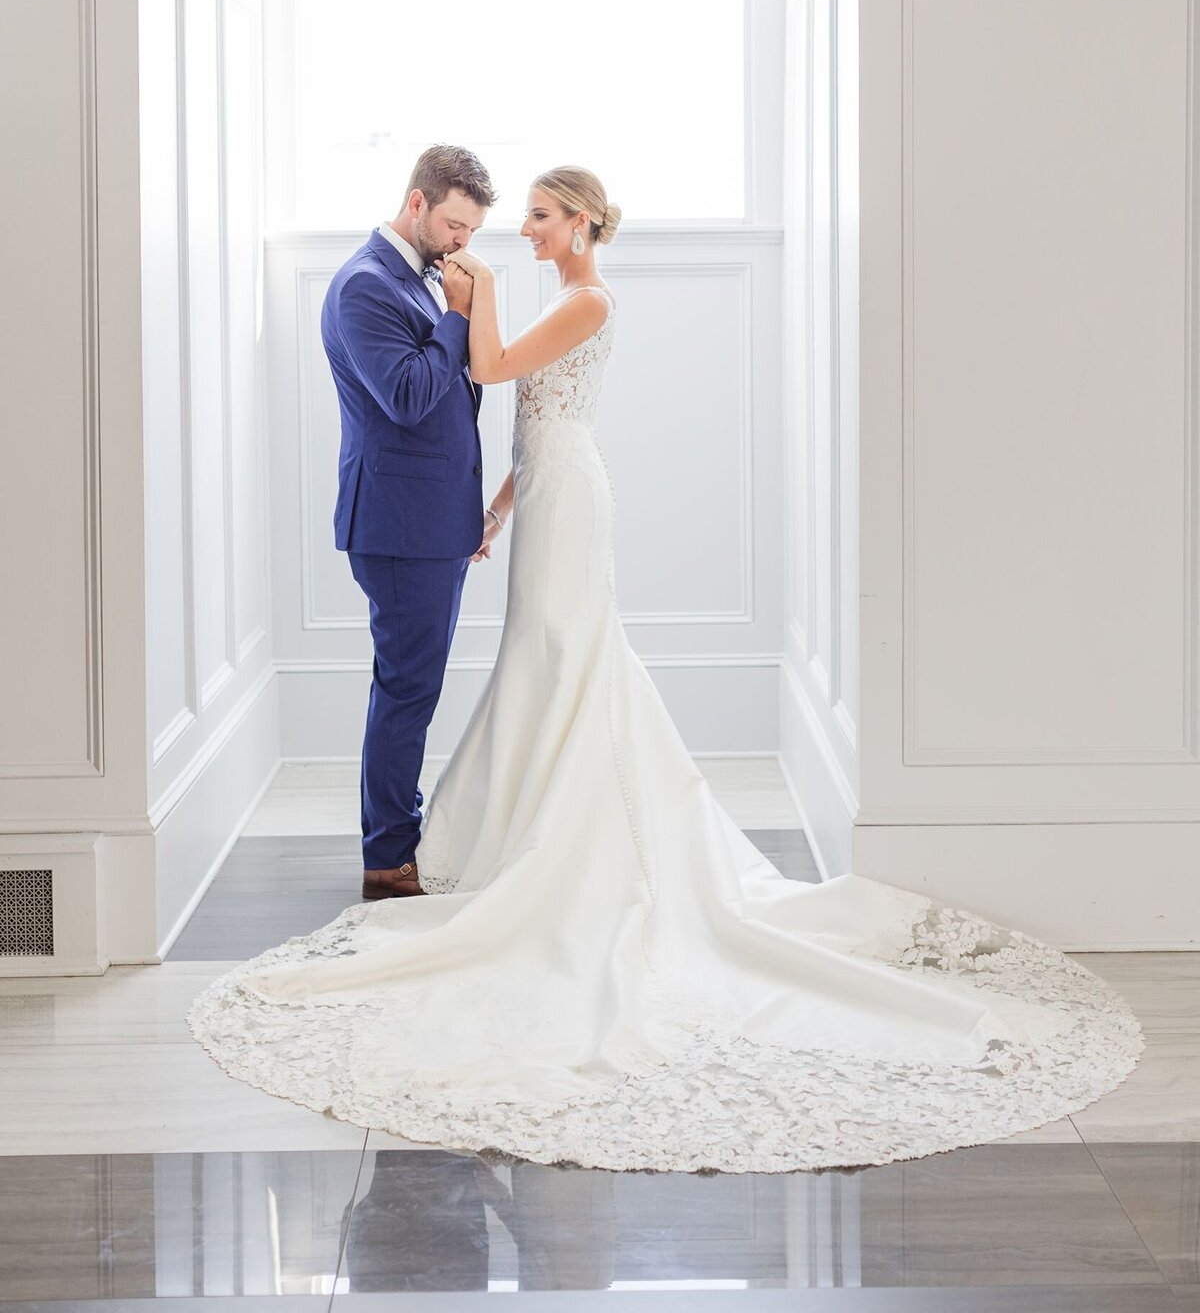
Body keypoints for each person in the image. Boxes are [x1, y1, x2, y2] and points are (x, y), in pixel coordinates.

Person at [190, 166, 1143, 1173]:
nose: (519, 232)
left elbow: (504, 373)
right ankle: (489, 833)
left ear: (587, 224)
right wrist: (507, 500)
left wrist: (485, 302)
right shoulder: (466, 290)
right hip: (538, 495)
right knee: (542, 660)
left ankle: (558, 838)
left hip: (570, 501)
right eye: (503, 222)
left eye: (540, 218)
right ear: (425, 207)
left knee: (567, 655)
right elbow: (531, 416)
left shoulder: (585, 297)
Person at [317, 143, 497, 901]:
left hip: (430, 521)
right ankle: (389, 861)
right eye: (455, 224)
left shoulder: (416, 277)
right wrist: (457, 314)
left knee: (410, 687)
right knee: (406, 691)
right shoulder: (365, 285)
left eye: (472, 231)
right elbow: (410, 395)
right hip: (399, 528)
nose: (463, 243)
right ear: (417, 203)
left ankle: (397, 845)